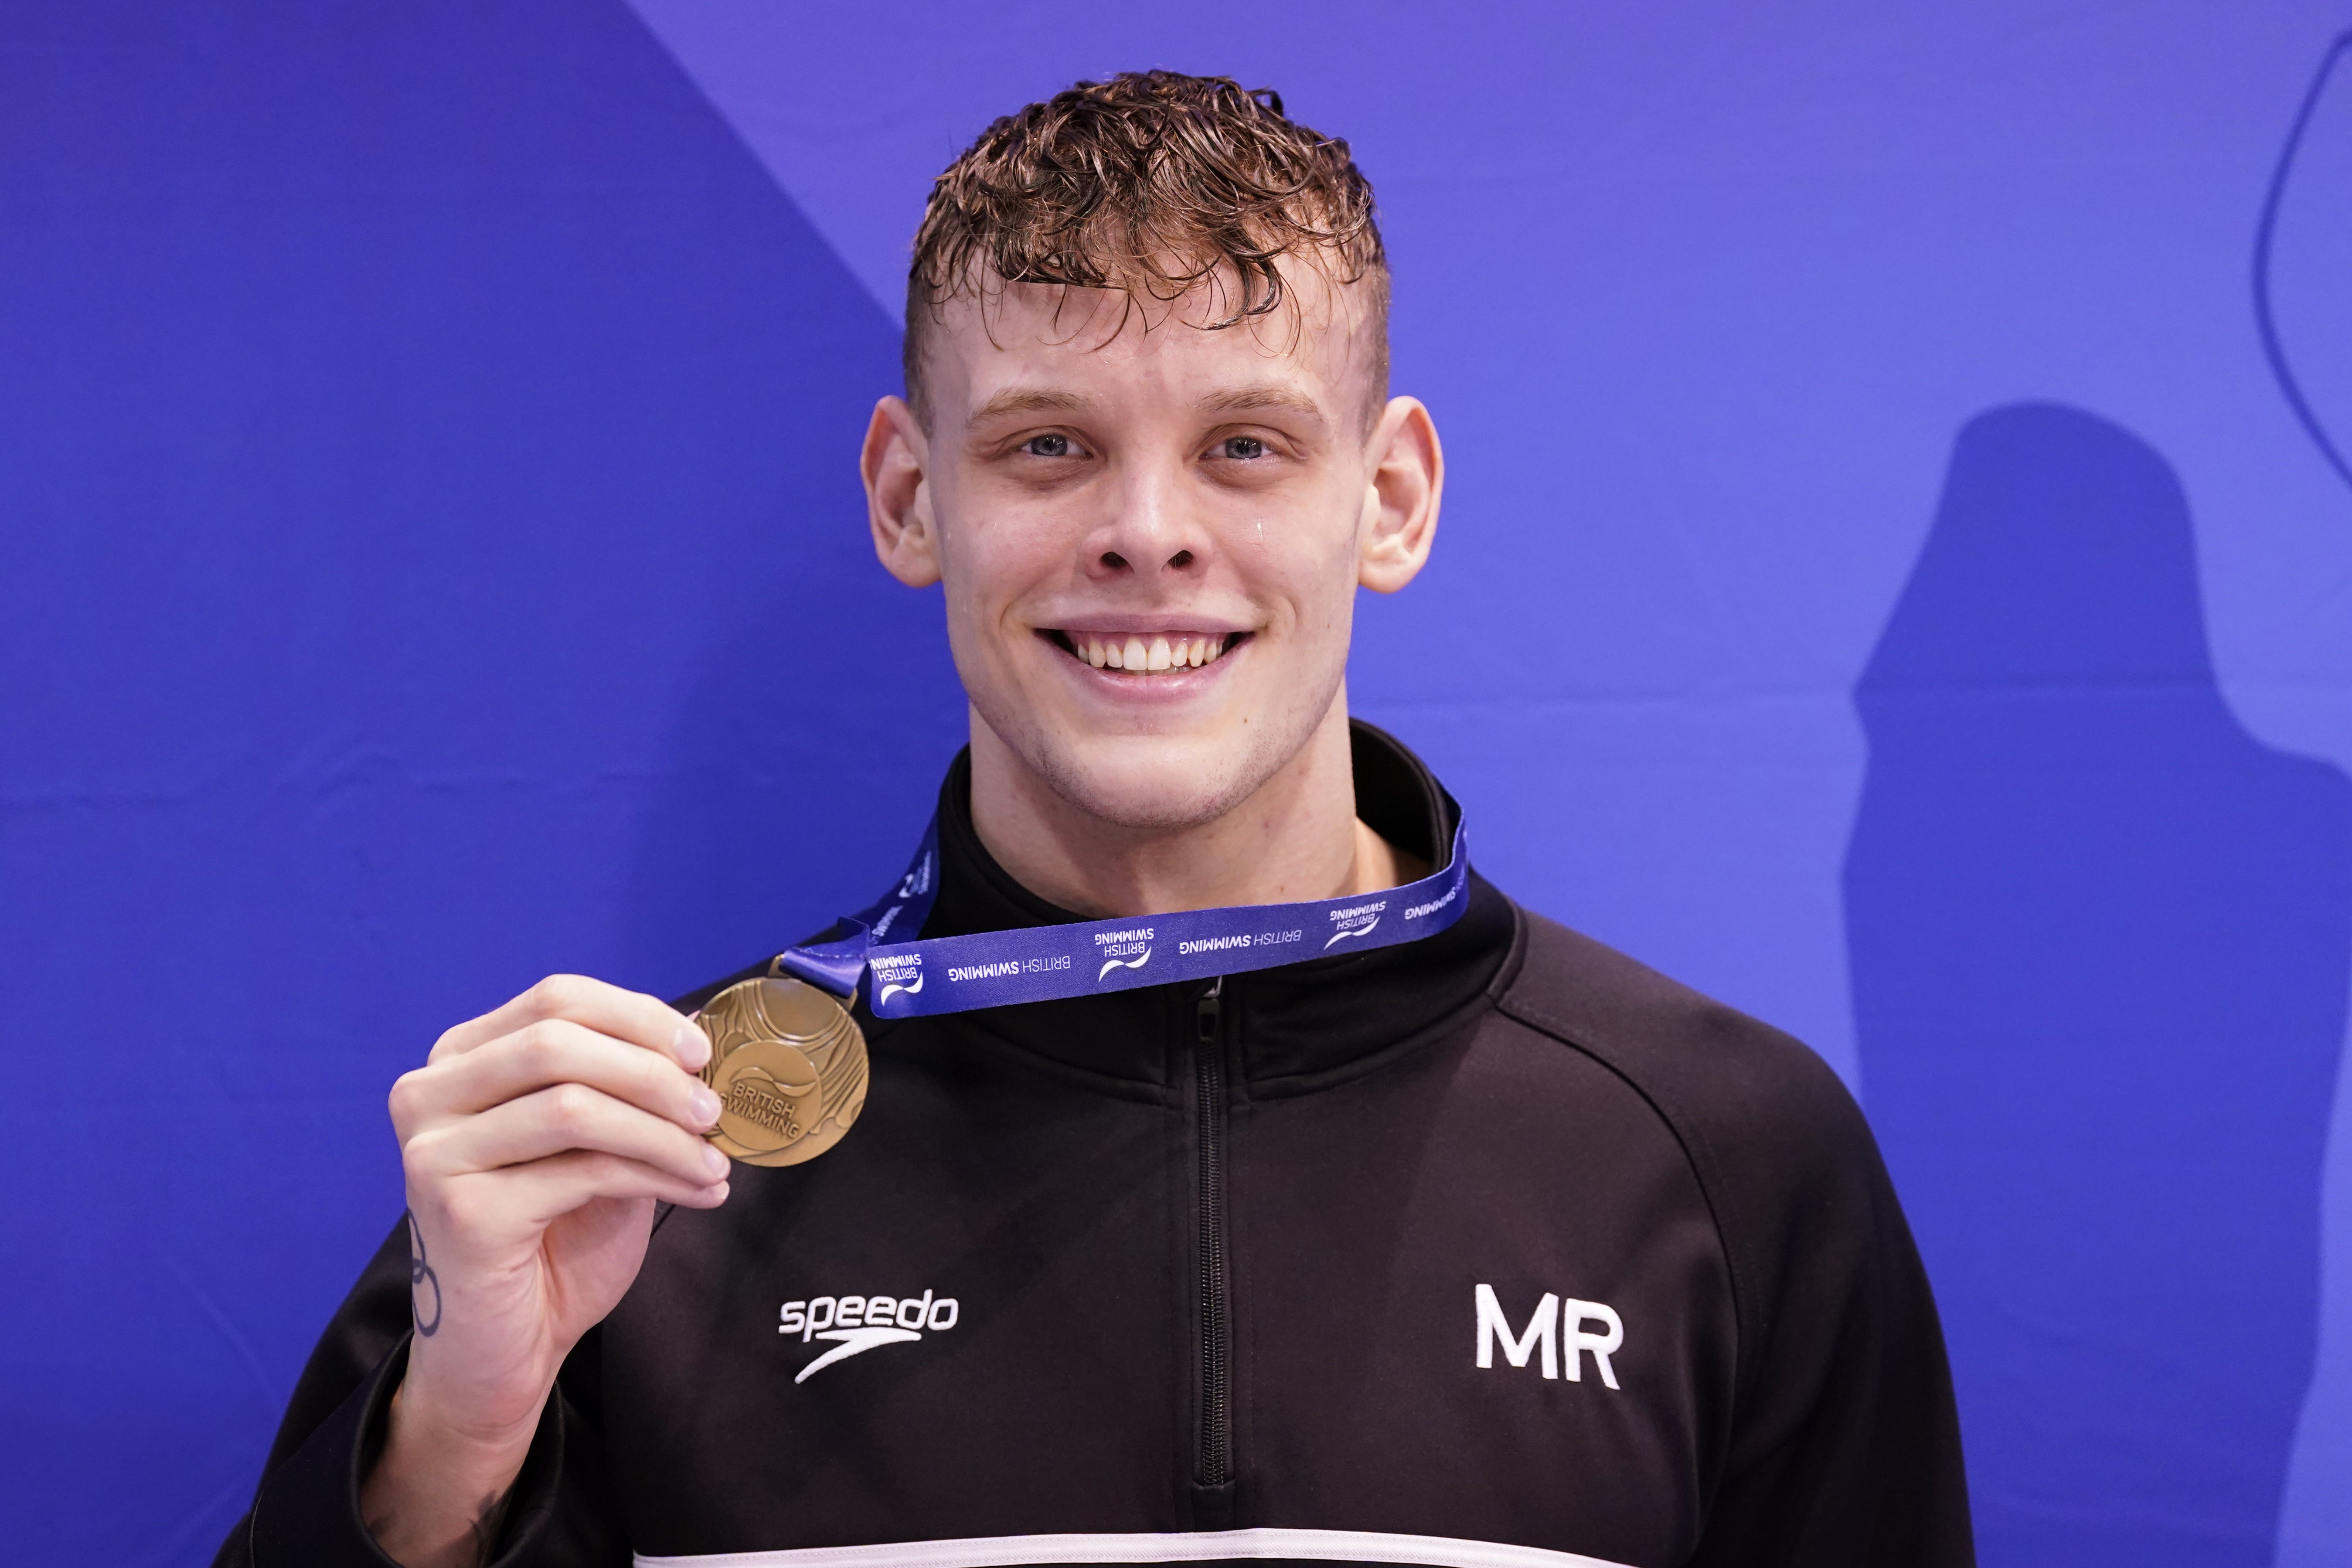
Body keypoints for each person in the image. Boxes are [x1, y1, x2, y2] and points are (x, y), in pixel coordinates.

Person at [216, 71, 1971, 1568]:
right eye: (1049, 446)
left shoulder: (1729, 1161)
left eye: (1244, 448)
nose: (1144, 531)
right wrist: (455, 1432)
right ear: (915, 498)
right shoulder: (639, 1167)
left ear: (1392, 497)